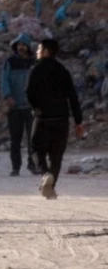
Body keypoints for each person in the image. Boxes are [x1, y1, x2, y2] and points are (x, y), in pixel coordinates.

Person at [26, 39, 85, 200]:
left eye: (39, 49)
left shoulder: (36, 70)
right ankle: (51, 186)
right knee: (56, 155)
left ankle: (45, 175)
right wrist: (78, 121)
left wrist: (36, 108)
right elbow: (73, 97)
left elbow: (29, 92)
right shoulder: (63, 71)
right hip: (61, 118)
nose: (37, 52)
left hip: (43, 117)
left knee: (36, 149)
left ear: (45, 51)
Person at [1, 36, 38, 176]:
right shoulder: (10, 62)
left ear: (28, 47)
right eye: (19, 45)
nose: (21, 47)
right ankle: (15, 167)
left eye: (24, 45)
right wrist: (7, 96)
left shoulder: (34, 62)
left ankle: (33, 164)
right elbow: (4, 80)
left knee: (33, 138)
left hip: (31, 107)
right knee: (15, 139)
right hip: (15, 106)